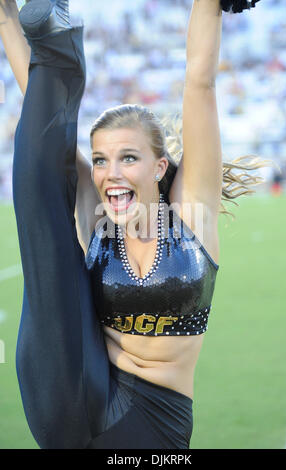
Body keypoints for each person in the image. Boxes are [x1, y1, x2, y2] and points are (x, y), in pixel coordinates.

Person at [0, 0, 266, 449]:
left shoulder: (191, 217)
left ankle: (58, 48)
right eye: (101, 160)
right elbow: (45, 115)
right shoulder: (99, 217)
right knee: (45, 176)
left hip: (155, 420)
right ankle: (56, 44)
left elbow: (200, 83)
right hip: (79, 386)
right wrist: (6, 15)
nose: (110, 174)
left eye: (128, 158)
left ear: (159, 167)